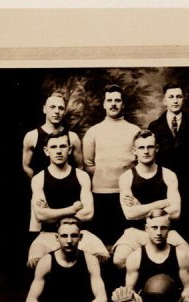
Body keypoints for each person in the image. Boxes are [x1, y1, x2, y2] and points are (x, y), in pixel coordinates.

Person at [14, 218, 116, 302]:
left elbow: (102, 299)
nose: (69, 240)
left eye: (74, 236)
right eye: (64, 236)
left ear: (81, 237)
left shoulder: (90, 260)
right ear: (57, 237)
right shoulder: (46, 261)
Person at [112, 129, 189, 269]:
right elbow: (130, 214)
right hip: (136, 232)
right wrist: (161, 203)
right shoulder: (127, 177)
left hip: (166, 231)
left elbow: (176, 212)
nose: (146, 151)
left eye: (150, 147)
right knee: (119, 260)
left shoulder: (169, 175)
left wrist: (140, 208)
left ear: (156, 148)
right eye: (141, 147)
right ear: (134, 150)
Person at [27, 130, 109, 268]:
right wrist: (73, 209)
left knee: (102, 257)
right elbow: (41, 216)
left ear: (70, 150)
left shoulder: (82, 176)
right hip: (48, 233)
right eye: (54, 147)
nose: (58, 151)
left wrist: (51, 212)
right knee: (35, 261)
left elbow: (88, 214)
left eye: (62, 146)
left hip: (79, 233)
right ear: (46, 151)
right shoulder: (38, 178)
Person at [82, 84, 141, 243]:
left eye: (117, 100)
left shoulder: (134, 130)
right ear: (104, 104)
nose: (113, 104)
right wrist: (106, 178)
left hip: (128, 195)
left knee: (126, 241)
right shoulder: (93, 131)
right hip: (101, 196)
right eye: (109, 100)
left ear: (123, 104)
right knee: (102, 241)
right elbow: (88, 165)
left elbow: (139, 163)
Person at [147, 83, 189, 237]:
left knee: (186, 230)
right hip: (162, 187)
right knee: (163, 229)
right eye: (171, 97)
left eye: (178, 96)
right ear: (165, 100)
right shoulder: (154, 127)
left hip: (187, 186)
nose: (175, 100)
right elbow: (151, 159)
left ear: (183, 99)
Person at [22, 91, 83, 233]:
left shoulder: (72, 138)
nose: (57, 111)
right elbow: (26, 166)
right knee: (40, 236)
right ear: (45, 109)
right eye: (53, 107)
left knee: (69, 236)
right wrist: (43, 186)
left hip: (68, 198)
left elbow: (80, 167)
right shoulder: (32, 136)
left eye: (60, 108)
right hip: (41, 198)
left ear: (64, 111)